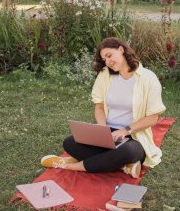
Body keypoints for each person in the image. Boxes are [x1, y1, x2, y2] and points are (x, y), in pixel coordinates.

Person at [41, 37, 166, 178]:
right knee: (70, 143)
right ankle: (124, 165)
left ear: (121, 49)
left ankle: (72, 165)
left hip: (132, 135)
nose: (108, 62)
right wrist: (101, 128)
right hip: (107, 134)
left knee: (130, 151)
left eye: (109, 55)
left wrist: (125, 131)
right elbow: (99, 106)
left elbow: (153, 118)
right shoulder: (105, 74)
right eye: (104, 59)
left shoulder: (148, 78)